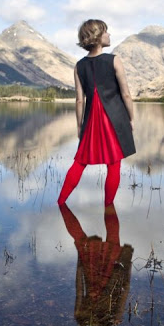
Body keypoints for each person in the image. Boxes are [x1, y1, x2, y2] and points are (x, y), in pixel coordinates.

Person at [57, 19, 136, 206]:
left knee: (80, 162)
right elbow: (126, 94)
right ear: (97, 37)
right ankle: (109, 207)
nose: (109, 35)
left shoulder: (79, 66)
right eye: (105, 31)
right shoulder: (114, 60)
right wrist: (131, 118)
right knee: (113, 164)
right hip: (115, 119)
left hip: (91, 119)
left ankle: (61, 202)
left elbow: (79, 100)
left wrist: (79, 126)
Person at [59, 203, 133, 326]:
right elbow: (121, 299)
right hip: (108, 279)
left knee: (112, 239)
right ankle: (108, 204)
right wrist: (126, 277)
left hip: (95, 276)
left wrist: (80, 265)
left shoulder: (82, 320)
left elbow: (79, 290)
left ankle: (107, 204)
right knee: (113, 240)